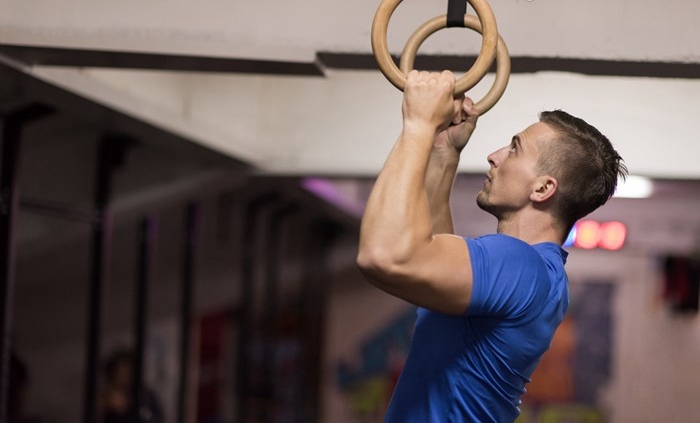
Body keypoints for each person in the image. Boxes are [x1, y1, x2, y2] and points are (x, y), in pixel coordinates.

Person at [356, 70, 627, 422]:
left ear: (543, 188)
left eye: (514, 149)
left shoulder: (519, 266)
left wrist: (418, 124)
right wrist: (444, 151)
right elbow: (434, 259)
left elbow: (383, 256)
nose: (494, 155)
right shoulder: (539, 274)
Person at [99, 348, 164, 423]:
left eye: (128, 370)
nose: (124, 375)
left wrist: (129, 405)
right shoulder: (106, 395)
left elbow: (156, 418)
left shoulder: (145, 395)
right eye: (120, 371)